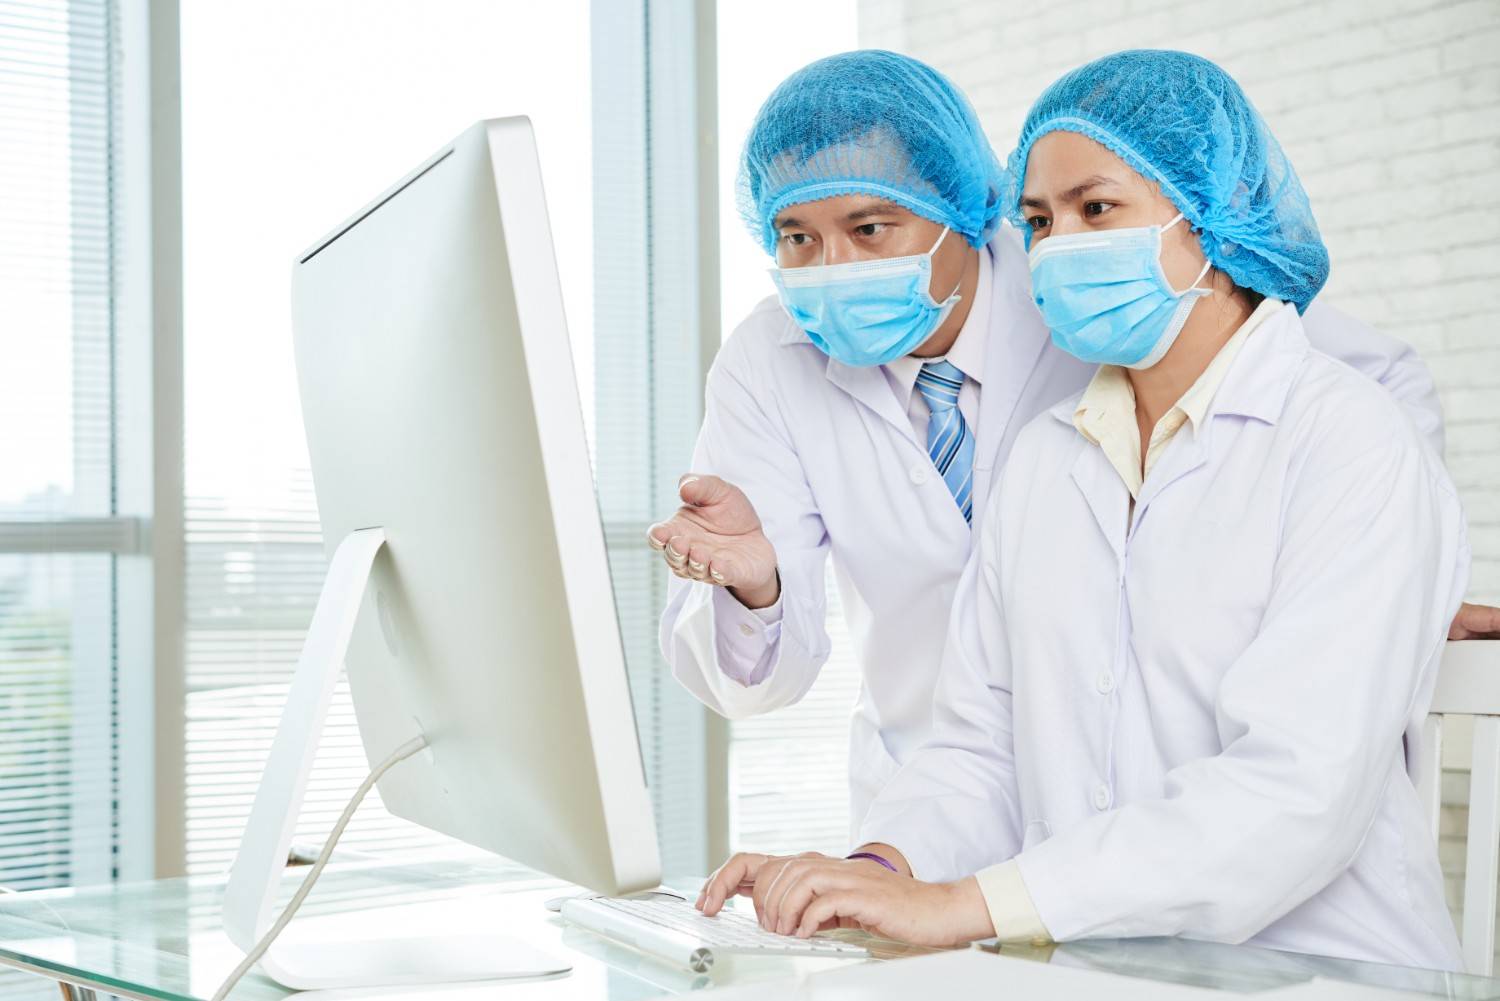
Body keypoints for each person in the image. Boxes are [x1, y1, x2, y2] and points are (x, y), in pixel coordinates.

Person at [696, 50, 1469, 971]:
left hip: (1330, 970)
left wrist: (967, 900)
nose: (1057, 248)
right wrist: (874, 869)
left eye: (1095, 210)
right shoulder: (1048, 458)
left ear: (1213, 215)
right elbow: (981, 751)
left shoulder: (1350, 442)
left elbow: (1292, 796)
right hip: (1101, 957)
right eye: (1038, 220)